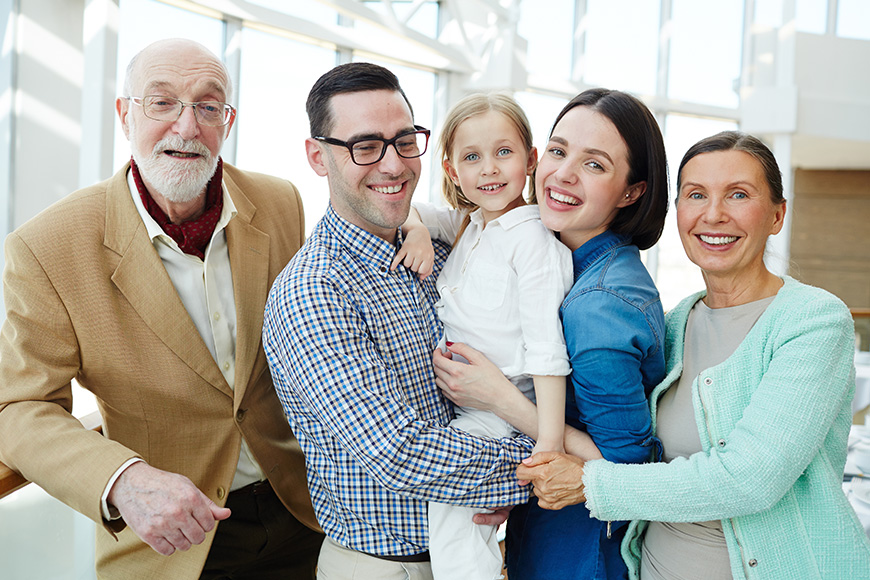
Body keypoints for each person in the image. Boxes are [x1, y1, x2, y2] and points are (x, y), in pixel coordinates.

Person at [0, 38, 323, 579]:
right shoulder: (46, 246)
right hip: (174, 543)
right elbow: (17, 406)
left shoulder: (280, 202)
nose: (187, 126)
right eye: (162, 102)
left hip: (306, 512)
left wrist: (414, 224)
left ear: (229, 120)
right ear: (125, 115)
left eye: (207, 105)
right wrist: (122, 479)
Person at [516, 131, 870, 579]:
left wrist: (589, 484)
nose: (714, 214)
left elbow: (749, 478)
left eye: (738, 195)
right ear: (678, 211)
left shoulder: (814, 322)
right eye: (696, 195)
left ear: (777, 215)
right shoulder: (673, 323)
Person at [262, 63, 538, 580]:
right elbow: (401, 453)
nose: (393, 165)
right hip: (387, 569)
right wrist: (545, 460)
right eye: (365, 147)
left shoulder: (441, 248)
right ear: (317, 157)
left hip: (471, 547)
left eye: (404, 141)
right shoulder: (314, 291)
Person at [431, 88, 670, 579]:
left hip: (581, 551)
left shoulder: (599, 304)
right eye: (560, 152)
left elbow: (625, 475)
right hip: (543, 523)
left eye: (596, 165)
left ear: (632, 191)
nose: (563, 174)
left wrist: (501, 400)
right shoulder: (554, 252)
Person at [393, 92, 573, 580]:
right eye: (472, 157)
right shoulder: (472, 224)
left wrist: (550, 445)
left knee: (452, 521)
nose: (489, 170)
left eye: (504, 152)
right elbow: (413, 211)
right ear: (452, 171)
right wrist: (413, 229)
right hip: (463, 405)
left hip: (500, 409)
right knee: (460, 528)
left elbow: (547, 352)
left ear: (531, 161)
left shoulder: (533, 241)